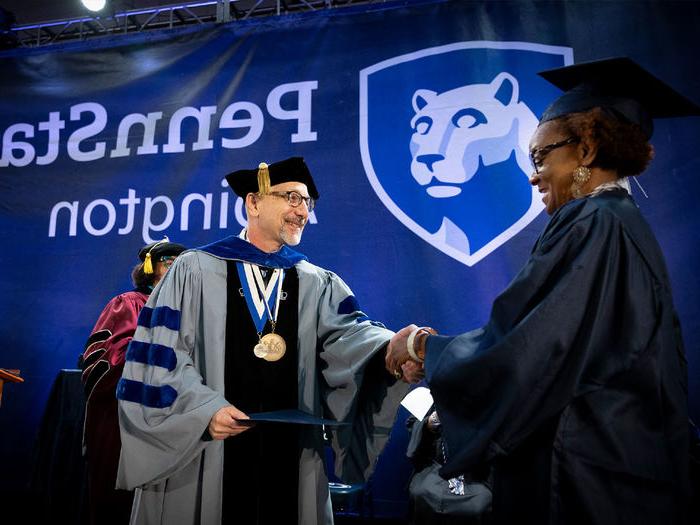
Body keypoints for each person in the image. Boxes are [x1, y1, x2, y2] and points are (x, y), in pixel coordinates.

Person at [386, 58, 699, 524]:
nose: (533, 175)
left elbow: (530, 348)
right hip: (624, 466)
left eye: (540, 156)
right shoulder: (621, 223)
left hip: (585, 475)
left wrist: (423, 347)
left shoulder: (593, 223)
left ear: (587, 149)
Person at [115, 157, 418, 525]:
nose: (302, 210)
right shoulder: (194, 269)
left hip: (291, 453)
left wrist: (392, 349)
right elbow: (161, 357)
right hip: (211, 446)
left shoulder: (317, 281)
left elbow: (350, 336)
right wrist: (203, 410)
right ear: (253, 203)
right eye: (291, 197)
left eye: (307, 202)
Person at [81, 238, 186, 525]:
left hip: (179, 426)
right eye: (169, 262)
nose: (177, 269)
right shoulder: (128, 304)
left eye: (183, 265)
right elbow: (108, 361)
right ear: (150, 269)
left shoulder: (192, 313)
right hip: (128, 424)